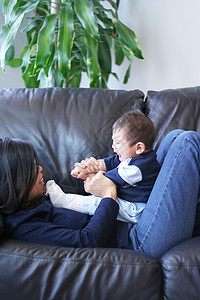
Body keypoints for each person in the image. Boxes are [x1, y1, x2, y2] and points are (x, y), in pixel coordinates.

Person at [1, 129, 200, 258]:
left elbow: (77, 193)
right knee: (187, 142)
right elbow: (88, 240)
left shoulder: (38, 198)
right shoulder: (26, 228)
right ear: (16, 180)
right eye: (33, 168)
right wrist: (108, 195)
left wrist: (91, 172)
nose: (40, 169)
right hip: (139, 241)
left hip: (136, 217)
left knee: (174, 136)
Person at [47, 110, 160, 223]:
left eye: (118, 142)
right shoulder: (132, 157)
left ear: (139, 148)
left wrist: (89, 177)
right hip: (127, 200)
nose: (113, 147)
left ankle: (63, 201)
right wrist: (89, 168)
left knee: (97, 202)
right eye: (113, 141)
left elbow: (108, 180)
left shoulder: (138, 168)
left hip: (135, 209)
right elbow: (109, 162)